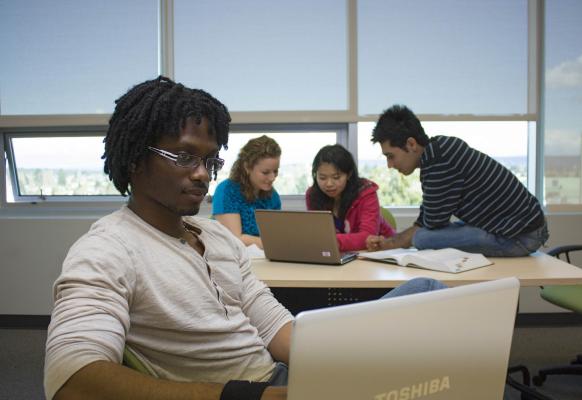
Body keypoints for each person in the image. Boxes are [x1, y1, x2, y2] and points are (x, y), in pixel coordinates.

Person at [44, 77, 447, 400]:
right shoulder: (107, 249)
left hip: (287, 376)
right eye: (185, 156)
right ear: (134, 158)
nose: (202, 173)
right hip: (245, 391)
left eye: (209, 160)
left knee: (426, 290)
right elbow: (72, 379)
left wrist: (341, 362)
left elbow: (274, 327)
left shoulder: (217, 238)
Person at [366, 105, 548, 257]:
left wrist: (390, 244)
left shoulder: (440, 161)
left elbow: (430, 225)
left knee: (422, 239)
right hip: (516, 228)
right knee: (424, 235)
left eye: (391, 156)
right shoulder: (437, 153)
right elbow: (427, 219)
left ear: (411, 144)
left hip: (518, 236)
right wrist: (392, 242)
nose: (389, 165)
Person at [306, 144, 395, 252]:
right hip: (343, 254)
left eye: (336, 177)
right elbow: (319, 233)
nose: (329, 184)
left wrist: (331, 241)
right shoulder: (313, 195)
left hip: (383, 253)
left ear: (349, 174)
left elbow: (368, 236)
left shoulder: (366, 192)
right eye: (322, 178)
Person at [212, 135, 281, 249]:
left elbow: (273, 235)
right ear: (247, 167)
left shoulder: (273, 196)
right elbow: (235, 239)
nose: (272, 177)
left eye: (275, 171)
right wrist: (273, 244)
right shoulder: (227, 190)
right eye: (265, 172)